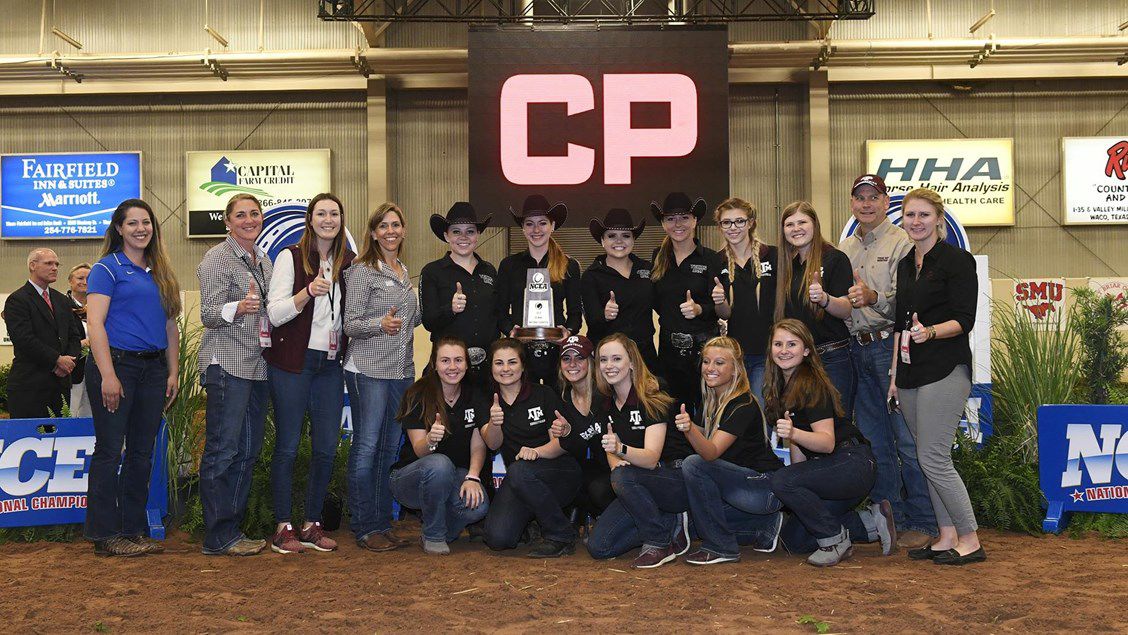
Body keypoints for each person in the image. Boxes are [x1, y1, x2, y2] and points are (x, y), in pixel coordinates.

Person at [839, 174, 936, 550]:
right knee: (874, 440)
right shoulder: (844, 248)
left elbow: (910, 303)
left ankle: (925, 520)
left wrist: (873, 296)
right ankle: (891, 518)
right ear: (852, 203)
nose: (866, 203)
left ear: (885, 201)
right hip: (855, 347)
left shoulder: (902, 244)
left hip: (889, 346)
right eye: (859, 197)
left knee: (907, 438)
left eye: (873, 197)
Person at [890, 188, 985, 566]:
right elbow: (900, 325)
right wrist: (894, 376)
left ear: (938, 219)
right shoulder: (904, 264)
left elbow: (965, 320)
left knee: (933, 457)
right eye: (910, 215)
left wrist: (929, 332)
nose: (916, 221)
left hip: (946, 367)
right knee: (924, 456)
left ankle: (971, 538)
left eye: (923, 215)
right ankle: (946, 535)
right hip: (911, 372)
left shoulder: (958, 261)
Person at [83, 199, 182, 557]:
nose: (141, 229)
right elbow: (95, 324)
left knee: (142, 453)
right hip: (118, 368)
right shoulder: (106, 269)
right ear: (119, 229)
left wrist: (173, 371)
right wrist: (108, 375)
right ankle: (104, 536)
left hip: (154, 369)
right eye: (133, 223)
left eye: (146, 223)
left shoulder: (161, 272)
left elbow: (170, 325)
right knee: (110, 451)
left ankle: (133, 530)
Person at [263, 193, 354, 554]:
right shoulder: (290, 256)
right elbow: (275, 313)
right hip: (293, 363)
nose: (328, 219)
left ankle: (312, 522)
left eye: (334, 213)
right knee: (287, 445)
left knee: (326, 447)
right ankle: (283, 525)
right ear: (310, 219)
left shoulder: (348, 262)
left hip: (330, 365)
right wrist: (307, 293)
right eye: (321, 213)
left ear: (341, 219)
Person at [765, 319, 896, 567]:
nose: (784, 350)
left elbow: (826, 443)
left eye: (792, 344)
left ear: (806, 350)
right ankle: (871, 521)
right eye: (778, 344)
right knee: (796, 541)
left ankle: (835, 541)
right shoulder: (782, 387)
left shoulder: (811, 383)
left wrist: (793, 434)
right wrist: (796, 479)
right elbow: (799, 454)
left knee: (781, 479)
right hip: (830, 474)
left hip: (852, 465)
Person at [197, 193, 273, 557]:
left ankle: (233, 530)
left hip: (257, 366)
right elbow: (208, 315)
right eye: (240, 215)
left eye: (254, 214)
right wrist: (238, 306)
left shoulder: (264, 258)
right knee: (222, 451)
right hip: (226, 362)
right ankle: (217, 535)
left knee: (247, 451)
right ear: (227, 221)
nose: (248, 220)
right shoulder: (217, 257)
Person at [343, 202, 420, 553]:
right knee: (367, 448)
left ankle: (381, 523)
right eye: (383, 226)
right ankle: (363, 526)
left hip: (401, 371)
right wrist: (380, 324)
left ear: (403, 231)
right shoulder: (362, 270)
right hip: (369, 371)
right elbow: (350, 323)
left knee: (389, 449)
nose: (390, 231)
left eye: (396, 225)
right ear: (373, 232)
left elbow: (411, 320)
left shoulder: (404, 271)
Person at [585, 334, 692, 569]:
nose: (609, 366)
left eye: (616, 359)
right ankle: (665, 521)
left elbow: (651, 458)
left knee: (622, 476)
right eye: (603, 360)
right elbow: (609, 445)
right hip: (638, 481)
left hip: (672, 478)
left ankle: (658, 541)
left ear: (632, 362)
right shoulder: (604, 401)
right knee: (599, 547)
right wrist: (614, 459)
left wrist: (620, 451)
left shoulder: (652, 396)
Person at [680, 336, 786, 565]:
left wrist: (689, 430)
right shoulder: (712, 401)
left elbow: (710, 453)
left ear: (736, 369)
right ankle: (764, 527)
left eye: (719, 363)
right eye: (706, 361)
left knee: (694, 464)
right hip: (743, 488)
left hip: (764, 488)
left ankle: (720, 547)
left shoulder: (743, 404)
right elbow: (710, 435)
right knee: (688, 522)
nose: (710, 368)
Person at [481, 338, 582, 558]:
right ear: (491, 367)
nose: (506, 369)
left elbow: (560, 445)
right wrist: (495, 423)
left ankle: (561, 535)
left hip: (559, 473)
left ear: (523, 365)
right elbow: (493, 444)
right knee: (498, 539)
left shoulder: (543, 394)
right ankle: (534, 522)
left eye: (512, 362)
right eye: (499, 363)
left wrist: (537, 452)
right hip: (520, 480)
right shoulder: (488, 400)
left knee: (519, 468)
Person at [391, 336, 490, 555]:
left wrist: (473, 476)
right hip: (410, 480)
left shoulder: (475, 394)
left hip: (454, 475)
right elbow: (418, 449)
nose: (452, 367)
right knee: (439, 464)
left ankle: (438, 531)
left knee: (479, 506)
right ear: (435, 364)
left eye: (458, 360)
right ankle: (435, 535)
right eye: (445, 361)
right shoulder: (417, 393)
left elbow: (478, 443)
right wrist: (430, 440)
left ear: (467, 364)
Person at [649, 192, 729, 417]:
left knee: (708, 411)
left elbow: (724, 309)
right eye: (671, 219)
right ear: (664, 224)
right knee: (673, 411)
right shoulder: (657, 258)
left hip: (704, 350)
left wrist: (700, 309)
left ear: (695, 221)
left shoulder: (712, 259)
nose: (678, 224)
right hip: (668, 353)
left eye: (684, 217)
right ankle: (677, 453)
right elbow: (655, 301)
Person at [775, 201, 856, 419]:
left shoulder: (834, 258)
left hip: (832, 357)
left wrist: (824, 299)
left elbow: (846, 308)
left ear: (815, 224)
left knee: (837, 426)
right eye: (789, 224)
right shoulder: (786, 265)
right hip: (799, 361)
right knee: (801, 425)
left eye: (802, 222)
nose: (796, 228)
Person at [495, 195, 582, 388]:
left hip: (557, 353)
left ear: (552, 225)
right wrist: (511, 330)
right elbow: (500, 311)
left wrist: (568, 331)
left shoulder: (569, 265)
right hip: (520, 354)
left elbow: (575, 313)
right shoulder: (509, 265)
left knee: (558, 404)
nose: (536, 230)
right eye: (530, 224)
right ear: (523, 228)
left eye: (542, 223)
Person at [420, 202, 499, 388]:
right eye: (456, 231)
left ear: (478, 235)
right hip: (450, 372)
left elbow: (497, 315)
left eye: (470, 231)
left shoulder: (489, 271)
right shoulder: (432, 272)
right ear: (446, 235)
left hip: (487, 370)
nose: (463, 237)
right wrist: (451, 309)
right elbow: (428, 321)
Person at [3, 249, 84, 419]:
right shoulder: (17, 300)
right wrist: (57, 360)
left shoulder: (61, 300)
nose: (55, 268)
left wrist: (69, 361)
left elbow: (74, 336)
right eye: (48, 263)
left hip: (60, 385)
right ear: (32, 266)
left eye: (56, 264)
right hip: (30, 387)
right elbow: (24, 339)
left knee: (58, 442)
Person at [714, 198, 777, 404]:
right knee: (738, 412)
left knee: (761, 408)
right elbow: (724, 314)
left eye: (739, 221)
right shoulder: (717, 261)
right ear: (720, 226)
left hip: (767, 352)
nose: (733, 228)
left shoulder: (773, 256)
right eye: (727, 222)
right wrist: (719, 301)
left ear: (750, 223)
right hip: (735, 354)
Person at [580, 209, 657, 369]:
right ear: (602, 240)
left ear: (633, 239)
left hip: (645, 356)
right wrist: (605, 316)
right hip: (609, 359)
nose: (619, 241)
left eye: (626, 235)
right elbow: (592, 321)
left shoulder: (648, 269)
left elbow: (663, 305)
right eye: (611, 236)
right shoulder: (591, 275)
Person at [551, 335, 614, 524]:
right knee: (564, 480)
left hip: (623, 465)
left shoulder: (607, 391)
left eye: (579, 358)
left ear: (591, 361)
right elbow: (577, 446)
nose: (572, 364)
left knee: (598, 489)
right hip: (595, 468)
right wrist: (567, 432)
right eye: (566, 358)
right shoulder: (562, 399)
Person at [67, 262, 93, 418]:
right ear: (70, 281)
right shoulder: (61, 305)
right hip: (72, 370)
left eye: (89, 278)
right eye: (80, 278)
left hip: (97, 369)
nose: (84, 282)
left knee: (91, 415)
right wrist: (80, 344)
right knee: (70, 412)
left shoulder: (102, 305)